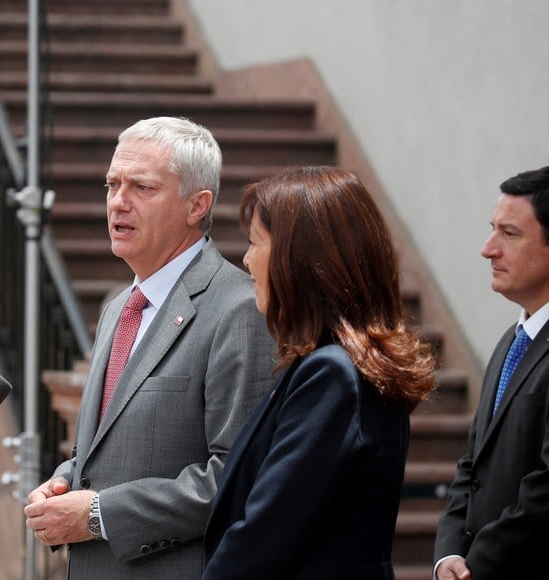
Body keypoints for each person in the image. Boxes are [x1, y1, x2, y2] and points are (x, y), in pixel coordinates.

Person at [24, 116, 277, 578]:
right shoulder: (120, 306)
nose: (118, 203)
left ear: (196, 205)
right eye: (112, 184)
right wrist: (67, 479)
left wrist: (99, 514)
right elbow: (112, 444)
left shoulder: (239, 308)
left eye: (142, 187)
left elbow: (238, 475)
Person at [202, 166, 437, 579]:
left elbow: (266, 532)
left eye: (256, 243)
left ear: (300, 261)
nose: (246, 258)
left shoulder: (332, 375)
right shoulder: (344, 364)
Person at [433, 165, 549, 579]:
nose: (488, 249)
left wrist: (477, 566)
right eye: (492, 229)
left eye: (510, 234)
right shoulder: (513, 340)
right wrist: (447, 555)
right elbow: (472, 465)